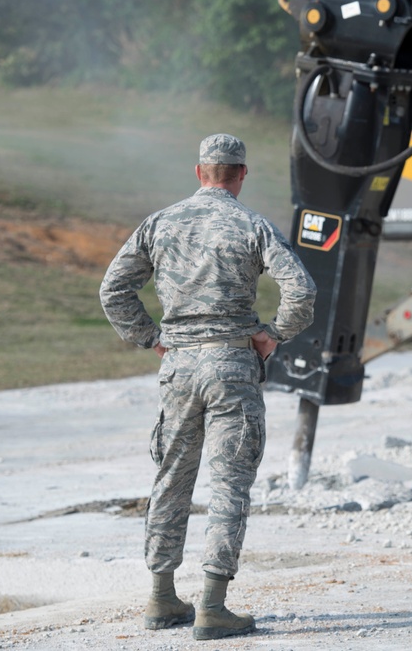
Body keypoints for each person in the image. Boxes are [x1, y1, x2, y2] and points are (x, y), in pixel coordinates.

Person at [99, 133, 316, 641]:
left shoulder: (160, 222)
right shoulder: (250, 223)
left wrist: (150, 338)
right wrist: (275, 333)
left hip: (178, 366)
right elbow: (301, 289)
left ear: (199, 173)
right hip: (233, 365)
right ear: (241, 174)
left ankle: (161, 597)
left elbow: (113, 289)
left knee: (172, 477)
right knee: (229, 482)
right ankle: (213, 606)